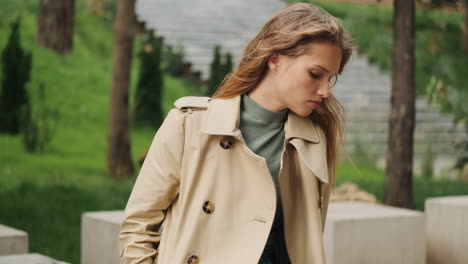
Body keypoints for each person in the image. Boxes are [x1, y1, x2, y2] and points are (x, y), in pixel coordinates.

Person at [119, 2, 354, 264]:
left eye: (330, 78)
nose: (325, 90)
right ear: (275, 60)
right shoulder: (190, 125)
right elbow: (137, 227)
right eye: (315, 74)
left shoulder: (313, 139)